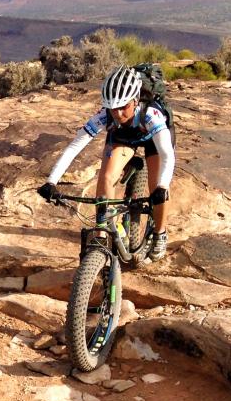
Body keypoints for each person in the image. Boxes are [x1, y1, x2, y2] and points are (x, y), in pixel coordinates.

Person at [37, 66, 173, 261]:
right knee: (107, 177)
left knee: (156, 189)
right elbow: (74, 147)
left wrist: (162, 186)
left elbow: (167, 155)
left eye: (123, 106)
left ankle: (160, 234)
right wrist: (51, 182)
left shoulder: (152, 115)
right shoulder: (105, 115)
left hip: (154, 139)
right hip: (124, 137)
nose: (117, 113)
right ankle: (103, 234)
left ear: (135, 100)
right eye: (112, 108)